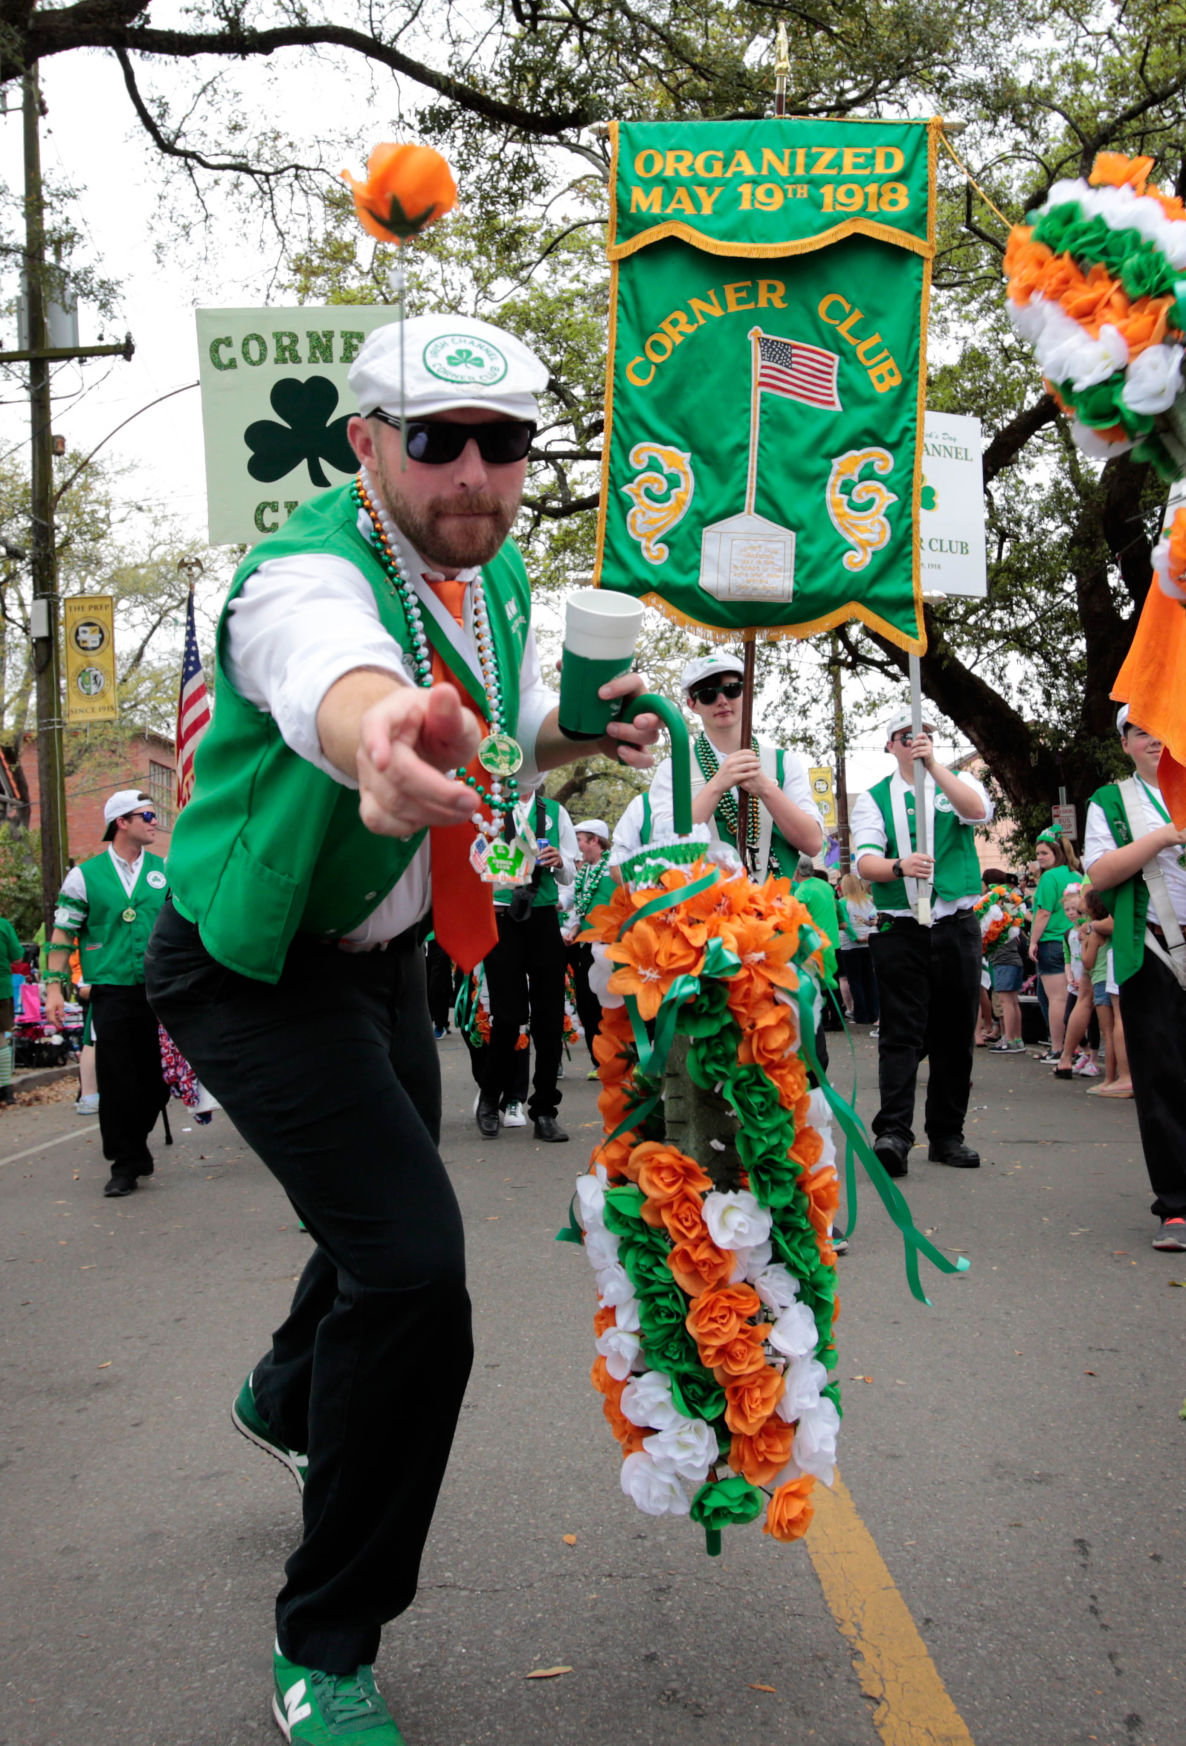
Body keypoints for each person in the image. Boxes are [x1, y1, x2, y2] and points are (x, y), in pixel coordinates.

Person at [144, 311, 660, 1745]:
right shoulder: (303, 566)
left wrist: (575, 738)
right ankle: (327, 1637)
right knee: (417, 1269)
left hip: (387, 958)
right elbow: (337, 674)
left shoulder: (484, 581)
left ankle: (283, 1386)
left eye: (506, 446)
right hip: (248, 963)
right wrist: (374, 737)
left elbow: (475, 733)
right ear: (366, 442)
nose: (475, 477)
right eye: (438, 441)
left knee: (374, 1227)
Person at [851, 708, 993, 1176]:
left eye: (925, 735)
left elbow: (976, 811)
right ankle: (893, 1132)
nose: (915, 741)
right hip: (901, 928)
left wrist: (934, 768)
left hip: (955, 923)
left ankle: (947, 1135)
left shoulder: (952, 786)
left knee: (955, 1033)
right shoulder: (874, 799)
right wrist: (898, 866)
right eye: (905, 736)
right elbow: (863, 863)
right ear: (890, 745)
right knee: (901, 1033)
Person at [1082, 706, 1186, 1251]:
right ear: (1124, 743)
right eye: (1141, 731)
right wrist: (1165, 836)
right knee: (1162, 1074)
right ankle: (1177, 1206)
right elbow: (1099, 874)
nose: (1153, 740)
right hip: (1152, 946)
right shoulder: (1112, 800)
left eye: (1162, 728)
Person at [44, 790, 169, 1194]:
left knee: (155, 1081)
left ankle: (135, 1143)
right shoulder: (84, 876)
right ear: (122, 822)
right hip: (110, 988)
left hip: (159, 988)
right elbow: (62, 935)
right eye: (146, 814)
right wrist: (54, 990)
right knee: (116, 1080)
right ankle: (125, 1163)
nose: (154, 821)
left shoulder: (164, 870)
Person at [646, 653, 824, 872]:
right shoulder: (673, 769)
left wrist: (766, 788)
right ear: (692, 704)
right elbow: (664, 851)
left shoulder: (783, 763)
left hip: (778, 901)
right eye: (708, 695)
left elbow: (813, 843)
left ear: (746, 693)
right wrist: (716, 785)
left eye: (732, 690)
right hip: (705, 902)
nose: (722, 701)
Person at [473, 789, 577, 1140]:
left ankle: (544, 1110)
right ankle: (491, 1098)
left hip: (543, 917)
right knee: (507, 1016)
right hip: (502, 919)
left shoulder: (555, 813)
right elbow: (469, 861)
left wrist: (560, 861)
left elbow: (570, 872)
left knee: (549, 1017)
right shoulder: (486, 809)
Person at [1027, 824, 1082, 1062]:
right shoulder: (1076, 875)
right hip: (1074, 941)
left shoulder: (1050, 877)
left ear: (1057, 853)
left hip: (1051, 942)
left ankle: (1059, 1048)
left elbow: (1043, 913)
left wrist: (1032, 941)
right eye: (1038, 854)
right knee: (1068, 997)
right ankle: (1072, 1047)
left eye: (1043, 854)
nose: (1039, 858)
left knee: (1057, 998)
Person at [562, 818, 612, 1069]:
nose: (578, 846)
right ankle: (599, 1061)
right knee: (587, 1002)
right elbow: (573, 901)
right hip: (586, 947)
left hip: (611, 945)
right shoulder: (583, 872)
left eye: (580, 840)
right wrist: (571, 926)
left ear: (594, 840)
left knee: (611, 1003)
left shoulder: (614, 866)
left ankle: (621, 1057)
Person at [835, 871, 879, 1024]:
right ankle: (874, 1013)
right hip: (870, 942)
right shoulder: (869, 900)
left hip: (850, 946)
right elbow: (876, 917)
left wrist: (856, 938)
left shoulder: (842, 902)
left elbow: (845, 924)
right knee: (870, 979)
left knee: (855, 981)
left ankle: (861, 1014)